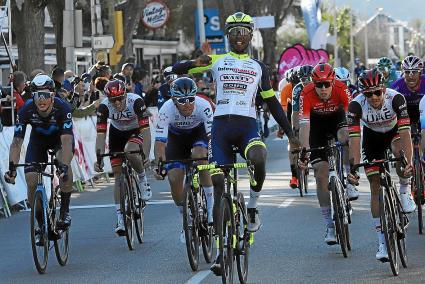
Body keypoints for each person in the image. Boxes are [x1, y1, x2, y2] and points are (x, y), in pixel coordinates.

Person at [172, 11, 300, 275]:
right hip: (220, 130)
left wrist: (292, 135)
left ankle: (252, 207)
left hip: (247, 127)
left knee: (258, 158)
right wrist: (195, 62)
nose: (239, 38)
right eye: (234, 33)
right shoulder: (217, 60)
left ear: (251, 35)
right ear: (229, 36)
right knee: (218, 185)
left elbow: (273, 103)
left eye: (244, 33)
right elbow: (176, 70)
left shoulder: (259, 67)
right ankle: (220, 252)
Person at [347, 69, 413, 261]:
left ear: (384, 89)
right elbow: (354, 139)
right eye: (368, 94)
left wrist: (408, 162)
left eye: (377, 92)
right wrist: (353, 168)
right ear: (362, 94)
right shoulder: (355, 105)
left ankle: (403, 190)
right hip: (371, 140)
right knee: (375, 185)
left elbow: (406, 133)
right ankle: (382, 240)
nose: (374, 97)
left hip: (395, 134)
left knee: (401, 157)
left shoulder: (396, 99)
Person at [4, 74, 75, 237]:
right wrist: (12, 168)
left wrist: (64, 165)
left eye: (45, 95)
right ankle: (41, 223)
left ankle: (64, 212)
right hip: (38, 143)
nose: (41, 100)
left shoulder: (63, 108)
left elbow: (66, 141)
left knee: (66, 170)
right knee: (31, 179)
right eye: (37, 95)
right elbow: (16, 142)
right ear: (33, 96)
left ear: (52, 95)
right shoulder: (26, 109)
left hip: (59, 141)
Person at [297, 63, 358, 245]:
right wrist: (305, 152)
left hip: (337, 119)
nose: (323, 89)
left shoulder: (342, 88)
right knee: (320, 174)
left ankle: (348, 179)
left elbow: (351, 121)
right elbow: (304, 126)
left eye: (326, 84)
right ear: (313, 84)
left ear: (333, 82)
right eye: (319, 85)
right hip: (316, 126)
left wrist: (353, 150)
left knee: (346, 137)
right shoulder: (305, 93)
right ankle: (329, 226)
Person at [153, 77, 214, 243]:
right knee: (174, 177)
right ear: (174, 100)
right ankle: (185, 219)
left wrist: (213, 158)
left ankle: (210, 206)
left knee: (201, 157)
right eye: (182, 100)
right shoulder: (166, 109)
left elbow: (212, 137)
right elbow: (159, 142)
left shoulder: (203, 106)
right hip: (176, 138)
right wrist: (160, 165)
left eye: (191, 99)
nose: (187, 104)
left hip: (199, 134)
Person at [94, 79, 151, 236]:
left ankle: (142, 178)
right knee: (118, 175)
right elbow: (100, 136)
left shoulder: (136, 101)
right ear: (108, 99)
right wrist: (98, 158)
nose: (117, 103)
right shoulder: (104, 107)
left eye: (120, 99)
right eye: (113, 100)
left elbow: (146, 131)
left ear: (126, 95)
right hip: (117, 133)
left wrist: (145, 153)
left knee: (130, 151)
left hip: (136, 130)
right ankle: (120, 218)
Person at [286, 65, 313, 189]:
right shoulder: (297, 89)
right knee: (293, 143)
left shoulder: (318, 86)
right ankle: (294, 176)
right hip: (301, 115)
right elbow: (294, 112)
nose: (306, 81)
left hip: (316, 115)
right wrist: (294, 129)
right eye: (303, 79)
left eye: (308, 79)